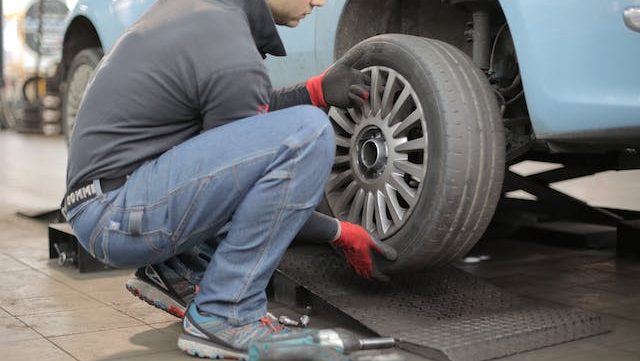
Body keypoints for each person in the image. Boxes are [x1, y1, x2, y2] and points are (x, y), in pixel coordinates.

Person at [62, 0, 395, 358]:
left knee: (289, 134)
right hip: (117, 214)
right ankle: (227, 314)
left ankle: (179, 270)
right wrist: (339, 232)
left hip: (106, 202)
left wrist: (314, 92)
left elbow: (236, 134)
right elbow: (244, 184)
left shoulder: (210, 16)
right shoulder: (230, 46)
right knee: (309, 135)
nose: (319, 1)